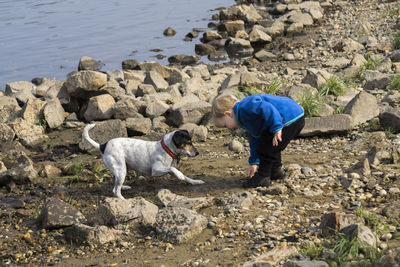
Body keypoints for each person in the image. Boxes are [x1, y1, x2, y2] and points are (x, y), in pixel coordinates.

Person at [212, 93, 305, 188]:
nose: (227, 129)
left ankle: (263, 176)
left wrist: (277, 127)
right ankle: (275, 170)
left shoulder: (245, 107)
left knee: (267, 147)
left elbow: (267, 108)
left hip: (290, 117)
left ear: (228, 114)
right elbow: (255, 139)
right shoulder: (245, 119)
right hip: (293, 117)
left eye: (225, 125)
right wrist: (254, 163)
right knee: (270, 143)